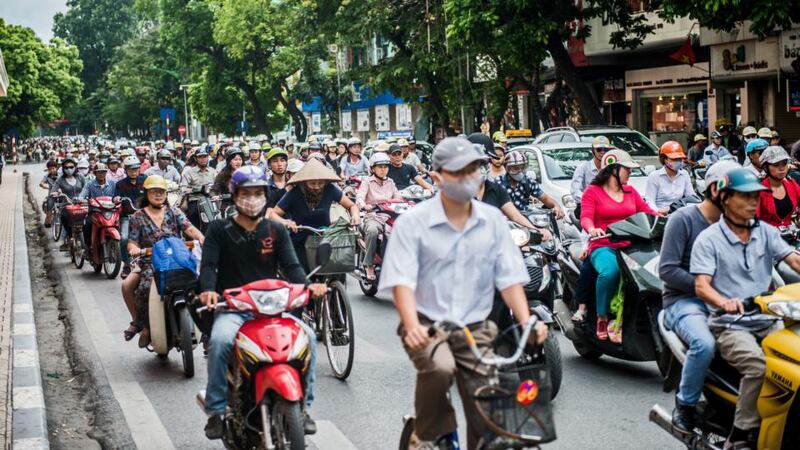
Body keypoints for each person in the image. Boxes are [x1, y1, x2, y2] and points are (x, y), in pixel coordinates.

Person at [377, 136, 547, 450]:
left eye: (473, 169)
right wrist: (412, 325)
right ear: (437, 176)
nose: (468, 177)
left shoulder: (493, 221)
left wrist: (527, 321)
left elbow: (509, 279)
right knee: (441, 368)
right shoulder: (413, 223)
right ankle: (426, 433)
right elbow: (401, 280)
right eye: (458, 171)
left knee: (488, 403)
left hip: (476, 328)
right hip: (428, 326)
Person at [198, 166, 326, 439]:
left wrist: (308, 286)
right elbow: (208, 265)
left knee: (309, 337)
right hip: (233, 309)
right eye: (246, 193)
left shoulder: (275, 229)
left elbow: (292, 267)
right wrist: (208, 290)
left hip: (272, 309)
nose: (252, 198)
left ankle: (304, 408)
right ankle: (216, 410)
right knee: (220, 341)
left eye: (258, 193)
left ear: (266, 195)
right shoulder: (219, 230)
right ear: (234, 196)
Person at [690, 168, 800, 449]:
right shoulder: (709, 239)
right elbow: (702, 285)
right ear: (725, 198)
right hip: (730, 324)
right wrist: (724, 302)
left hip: (769, 317)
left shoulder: (765, 231)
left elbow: (792, 259)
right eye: (746, 196)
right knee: (758, 367)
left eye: (756, 197)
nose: (753, 202)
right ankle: (741, 433)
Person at [659, 160, 741, 433]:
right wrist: (708, 290)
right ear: (716, 190)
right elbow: (668, 270)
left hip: (728, 302)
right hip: (684, 303)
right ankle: (685, 405)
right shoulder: (682, 219)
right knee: (704, 343)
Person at [580, 149, 660, 342]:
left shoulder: (631, 192)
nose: (630, 173)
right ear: (614, 169)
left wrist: (665, 218)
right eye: (627, 169)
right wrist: (592, 230)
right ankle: (601, 317)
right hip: (603, 245)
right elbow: (586, 218)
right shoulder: (593, 192)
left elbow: (647, 212)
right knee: (611, 272)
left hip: (631, 246)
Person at [121, 175, 203, 345]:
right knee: (136, 286)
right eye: (154, 192)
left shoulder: (174, 211)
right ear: (146, 194)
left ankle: (206, 332)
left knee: (201, 283)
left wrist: (202, 239)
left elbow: (190, 228)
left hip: (175, 259)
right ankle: (142, 324)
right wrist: (134, 250)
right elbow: (132, 242)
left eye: (162, 192)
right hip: (150, 261)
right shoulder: (137, 217)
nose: (158, 195)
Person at [269, 159, 360, 270]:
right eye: (312, 183)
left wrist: (355, 216)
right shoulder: (294, 193)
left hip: (324, 237)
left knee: (337, 268)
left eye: (320, 183)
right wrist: (286, 222)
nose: (317, 186)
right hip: (300, 240)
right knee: (304, 272)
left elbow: (351, 206)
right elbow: (273, 214)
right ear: (304, 182)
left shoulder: (330, 189)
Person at [356, 152, 403, 280]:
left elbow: (398, 197)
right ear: (373, 169)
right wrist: (364, 205)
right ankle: (368, 264)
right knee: (372, 231)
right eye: (380, 167)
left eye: (386, 167)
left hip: (390, 216)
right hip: (373, 216)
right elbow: (359, 197)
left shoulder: (390, 182)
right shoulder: (367, 182)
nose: (383, 170)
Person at [498, 150, 564, 217]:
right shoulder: (497, 183)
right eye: (515, 168)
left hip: (525, 219)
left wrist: (556, 206)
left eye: (522, 167)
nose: (519, 171)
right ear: (507, 169)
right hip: (504, 221)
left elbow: (545, 198)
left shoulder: (528, 182)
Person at [114, 157, 147, 279]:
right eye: (131, 170)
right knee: (124, 238)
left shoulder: (145, 180)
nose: (134, 172)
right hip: (127, 216)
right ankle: (126, 265)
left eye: (136, 169)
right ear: (126, 170)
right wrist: (116, 199)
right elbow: (115, 197)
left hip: (144, 215)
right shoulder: (120, 184)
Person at [757, 146, 800, 228]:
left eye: (784, 163)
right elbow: (752, 219)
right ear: (766, 167)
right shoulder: (758, 190)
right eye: (776, 165)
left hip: (791, 234)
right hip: (767, 237)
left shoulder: (791, 184)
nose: (781, 168)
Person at [645, 141, 694, 213]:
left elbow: (691, 196)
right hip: (660, 216)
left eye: (680, 159)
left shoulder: (684, 174)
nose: (678, 162)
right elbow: (649, 201)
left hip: (679, 214)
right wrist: (658, 212)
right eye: (674, 159)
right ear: (664, 159)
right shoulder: (654, 176)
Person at [78, 163, 116, 249]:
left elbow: (118, 195)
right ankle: (88, 247)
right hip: (95, 213)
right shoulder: (89, 184)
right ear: (95, 173)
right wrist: (80, 199)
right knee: (87, 225)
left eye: (103, 172)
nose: (101, 174)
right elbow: (83, 194)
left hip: (110, 212)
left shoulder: (112, 184)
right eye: (99, 172)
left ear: (106, 173)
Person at [49, 158, 86, 245]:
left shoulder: (80, 177)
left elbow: (86, 188)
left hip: (81, 204)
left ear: (75, 167)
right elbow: (53, 190)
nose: (69, 169)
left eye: (71, 167)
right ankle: (70, 236)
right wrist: (56, 193)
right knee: (64, 217)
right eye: (66, 167)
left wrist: (84, 198)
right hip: (67, 204)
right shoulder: (60, 180)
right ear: (63, 168)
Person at [180, 147, 218, 229]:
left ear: (208, 157)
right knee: (193, 215)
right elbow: (183, 189)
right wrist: (198, 189)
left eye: (205, 156)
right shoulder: (189, 173)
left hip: (211, 200)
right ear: (195, 158)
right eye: (200, 157)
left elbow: (218, 187)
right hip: (195, 201)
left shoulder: (213, 171)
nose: (203, 159)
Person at [570, 136, 612, 208]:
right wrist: (593, 201)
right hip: (589, 207)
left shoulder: (612, 168)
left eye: (605, 149)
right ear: (593, 151)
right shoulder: (582, 168)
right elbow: (575, 191)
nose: (602, 152)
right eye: (599, 149)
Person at [40, 160, 60, 227]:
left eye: (53, 168)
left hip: (61, 194)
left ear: (56, 168)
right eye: (49, 169)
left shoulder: (61, 175)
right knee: (49, 207)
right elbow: (41, 183)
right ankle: (48, 220)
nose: (52, 170)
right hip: (52, 195)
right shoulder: (47, 176)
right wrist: (46, 187)